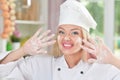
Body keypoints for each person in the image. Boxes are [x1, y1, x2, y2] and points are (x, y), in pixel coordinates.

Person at [0, 0, 120, 80]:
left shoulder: (101, 70)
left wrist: (113, 60)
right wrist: (23, 50)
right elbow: (2, 72)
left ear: (84, 38)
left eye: (74, 32)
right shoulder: (42, 64)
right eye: (61, 32)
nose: (66, 38)